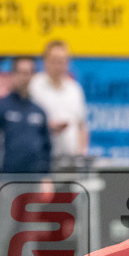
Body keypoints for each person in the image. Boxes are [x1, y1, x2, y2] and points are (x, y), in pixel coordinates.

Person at [0, 57, 52, 181]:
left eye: (28, 73)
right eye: (21, 72)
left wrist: (45, 176)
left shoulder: (38, 111)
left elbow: (46, 147)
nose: (25, 78)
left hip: (33, 179)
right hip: (6, 178)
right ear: (12, 75)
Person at [29, 40, 88, 168]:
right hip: (41, 161)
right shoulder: (34, 86)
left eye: (62, 61)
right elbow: (25, 123)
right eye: (54, 60)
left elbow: (82, 125)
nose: (58, 66)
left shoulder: (74, 89)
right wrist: (48, 127)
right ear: (45, 61)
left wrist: (81, 154)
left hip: (71, 162)